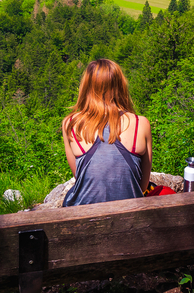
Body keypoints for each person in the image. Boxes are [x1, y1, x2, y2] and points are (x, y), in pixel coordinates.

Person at [61, 59, 153, 206]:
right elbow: (141, 186)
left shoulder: (71, 124)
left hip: (83, 217)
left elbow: (80, 177)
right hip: (130, 218)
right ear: (120, 85)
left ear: (86, 87)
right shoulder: (140, 124)